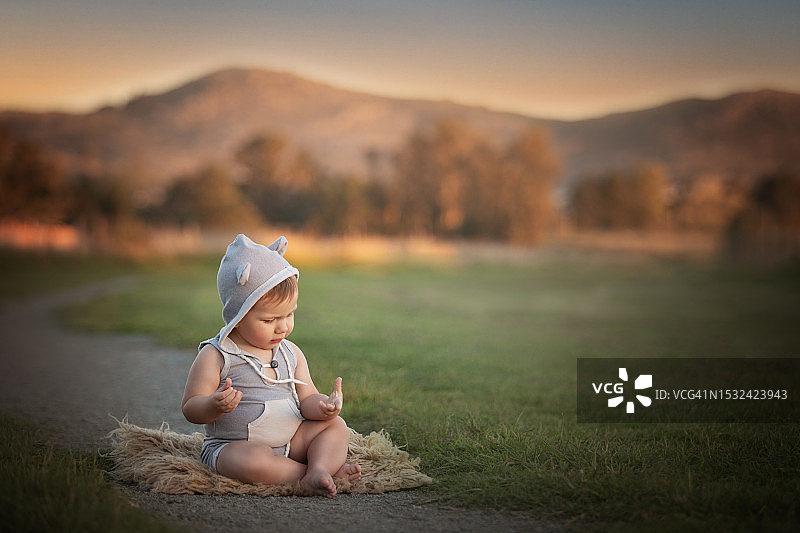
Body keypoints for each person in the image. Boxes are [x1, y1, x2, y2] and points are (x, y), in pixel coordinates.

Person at [181, 234, 361, 497]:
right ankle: (307, 476)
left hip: (291, 441)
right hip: (235, 445)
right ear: (238, 317)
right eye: (269, 320)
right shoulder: (217, 355)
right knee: (249, 462)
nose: (283, 326)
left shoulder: (291, 353)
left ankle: (319, 467)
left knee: (336, 427)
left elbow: (306, 398)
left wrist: (324, 407)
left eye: (289, 314)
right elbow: (190, 407)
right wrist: (212, 405)